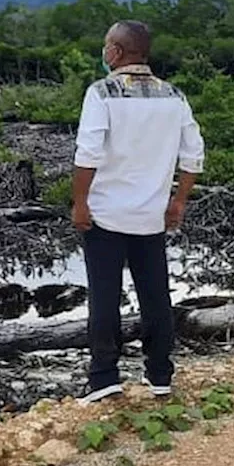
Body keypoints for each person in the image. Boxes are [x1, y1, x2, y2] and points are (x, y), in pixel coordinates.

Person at [71, 20, 205, 405]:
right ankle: (160, 374)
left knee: (105, 296)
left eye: (106, 46)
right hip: (151, 215)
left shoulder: (102, 93)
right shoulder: (174, 96)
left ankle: (104, 377)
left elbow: (88, 154)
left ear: (115, 51)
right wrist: (177, 200)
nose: (105, 52)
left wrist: (80, 203)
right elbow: (193, 154)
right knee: (155, 295)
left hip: (105, 214)